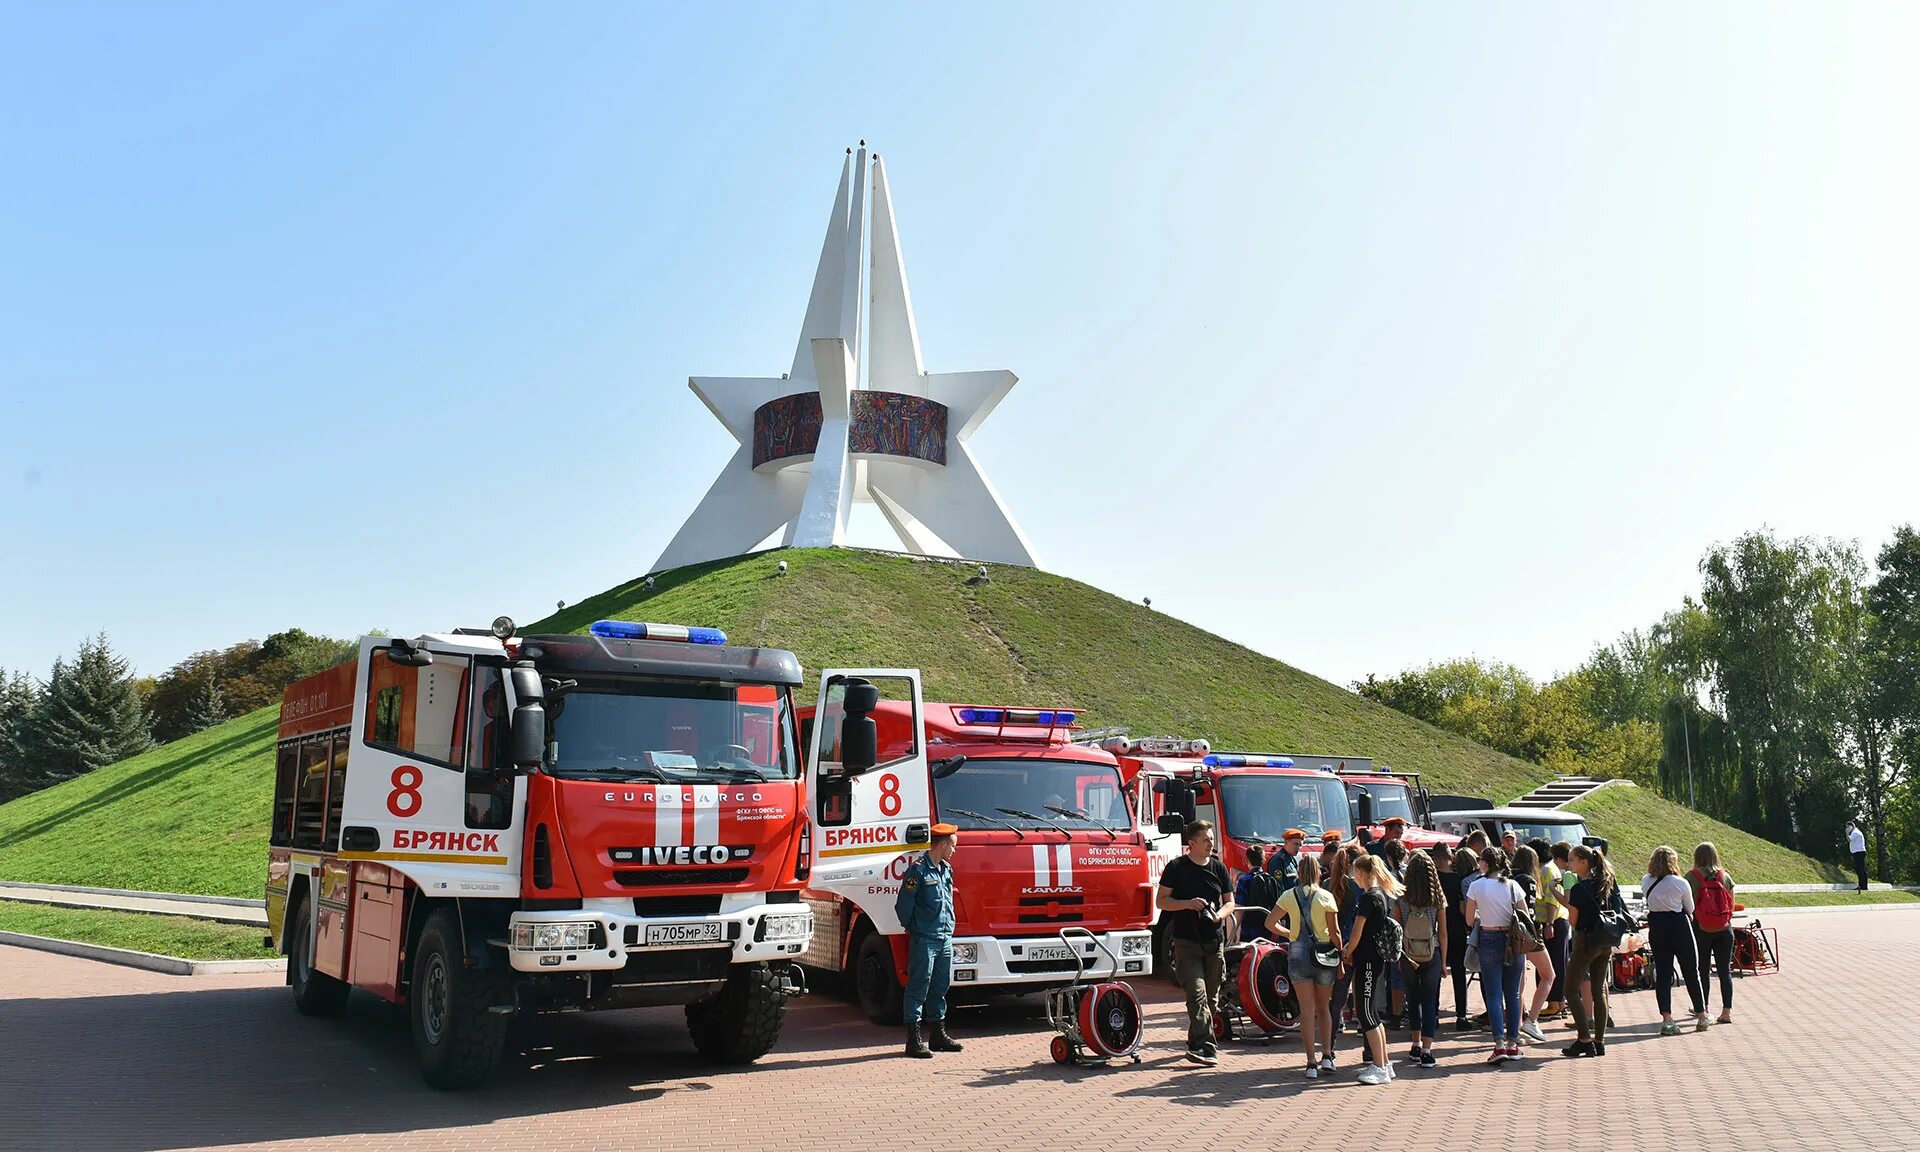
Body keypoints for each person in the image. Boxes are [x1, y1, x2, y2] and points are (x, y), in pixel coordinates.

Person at [1156, 819, 1235, 1065]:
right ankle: (1208, 1048)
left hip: (1214, 942)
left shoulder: (1218, 868)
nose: (1211, 843)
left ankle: (1195, 1043)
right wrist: (1187, 904)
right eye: (1206, 840)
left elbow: (1230, 902)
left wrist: (1219, 915)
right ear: (1191, 843)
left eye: (1211, 839)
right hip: (1186, 942)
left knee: (1211, 999)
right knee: (1197, 995)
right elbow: (1161, 901)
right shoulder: (1176, 867)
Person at [1268, 851, 1342, 1079]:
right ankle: (1327, 1056)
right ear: (1319, 872)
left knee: (1306, 1011)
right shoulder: (1326, 897)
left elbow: (1270, 922)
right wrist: (1341, 956)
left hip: (1298, 953)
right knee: (1324, 1008)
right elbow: (1336, 933)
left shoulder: (1289, 895)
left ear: (1298, 872)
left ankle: (1310, 1062)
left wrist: (1291, 933)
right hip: (1323, 954)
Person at [895, 822, 963, 1058]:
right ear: (942, 844)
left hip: (944, 937)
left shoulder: (946, 869)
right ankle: (913, 1040)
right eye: (952, 846)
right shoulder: (918, 871)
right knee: (918, 987)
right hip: (925, 938)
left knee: (940, 986)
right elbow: (904, 904)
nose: (954, 851)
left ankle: (937, 1035)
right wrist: (913, 928)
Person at [1342, 855, 1403, 1085]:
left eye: (1355, 873)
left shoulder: (1368, 898)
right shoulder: (1381, 896)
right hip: (1373, 960)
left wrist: (1347, 952)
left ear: (1362, 873)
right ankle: (1384, 1063)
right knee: (1372, 1014)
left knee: (1366, 1011)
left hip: (1367, 960)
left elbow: (1357, 931)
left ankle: (1379, 1067)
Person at [1463, 847, 1527, 1064]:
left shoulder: (1476, 886)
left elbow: (1469, 920)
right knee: (1513, 993)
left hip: (1488, 937)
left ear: (1485, 863)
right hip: (1513, 940)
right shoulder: (1513, 885)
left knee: (1493, 993)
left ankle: (1499, 1044)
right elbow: (1524, 916)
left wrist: (1482, 913)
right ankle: (1513, 1043)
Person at [1643, 845, 1709, 1035]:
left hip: (1657, 925)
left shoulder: (1646, 880)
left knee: (1663, 973)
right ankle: (1702, 1015)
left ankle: (1667, 1019)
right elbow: (1689, 908)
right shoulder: (1680, 882)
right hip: (1678, 925)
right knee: (1691, 970)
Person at [1562, 844, 1618, 1057]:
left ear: (1584, 862)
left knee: (1570, 989)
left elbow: (1574, 920)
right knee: (1598, 990)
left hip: (1586, 941)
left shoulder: (1578, 889)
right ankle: (1599, 1040)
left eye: (1572, 860)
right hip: (1606, 940)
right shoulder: (1607, 882)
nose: (1569, 864)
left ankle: (1584, 1039)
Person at [1399, 850, 1447, 1068]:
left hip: (1408, 953)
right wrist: (1443, 960)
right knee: (1429, 1001)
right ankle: (1427, 1050)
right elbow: (1443, 932)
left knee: (1413, 999)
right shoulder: (1437, 897)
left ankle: (1416, 1043)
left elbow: (1396, 926)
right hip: (1431, 951)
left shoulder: (1401, 896)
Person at [1509, 845, 1557, 1044]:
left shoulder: (1509, 879)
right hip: (1528, 933)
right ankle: (1532, 1019)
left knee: (1518, 983)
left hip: (1508, 933)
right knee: (1548, 975)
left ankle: (1517, 1027)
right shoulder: (1528, 881)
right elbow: (1526, 912)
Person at [1688, 842, 1736, 1025]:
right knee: (1725, 971)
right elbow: (1731, 904)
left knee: (1703, 970)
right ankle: (1726, 1012)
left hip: (1702, 929)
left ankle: (1704, 1008)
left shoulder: (1692, 877)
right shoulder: (1725, 876)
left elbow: (1689, 905)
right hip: (1725, 929)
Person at [1442, 847, 1475, 1030]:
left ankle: (1433, 1014)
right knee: (1459, 973)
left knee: (1436, 974)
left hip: (1438, 930)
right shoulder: (1458, 881)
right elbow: (1463, 908)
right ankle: (1461, 1015)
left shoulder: (1434, 880)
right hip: (1457, 930)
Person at [1541, 841, 1574, 1019]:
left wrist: (1548, 924)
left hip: (1554, 921)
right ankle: (1560, 1003)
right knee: (1560, 963)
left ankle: (1554, 1003)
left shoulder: (1548, 869)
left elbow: (1551, 900)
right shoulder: (1556, 870)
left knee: (1553, 964)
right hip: (1561, 921)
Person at [1235, 845, 1280, 943]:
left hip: (1249, 929)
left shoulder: (1244, 881)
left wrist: (1234, 931)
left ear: (1246, 860)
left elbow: (1239, 908)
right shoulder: (1271, 880)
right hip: (1268, 928)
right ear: (1263, 860)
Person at [1848, 821, 1869, 891]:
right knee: (1859, 869)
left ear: (1851, 826)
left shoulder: (1855, 832)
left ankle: (1863, 886)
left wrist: (1847, 833)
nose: (1847, 828)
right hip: (1857, 852)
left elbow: (1849, 839)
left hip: (1859, 852)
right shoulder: (1855, 832)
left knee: (1860, 869)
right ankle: (1862, 885)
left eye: (1848, 827)